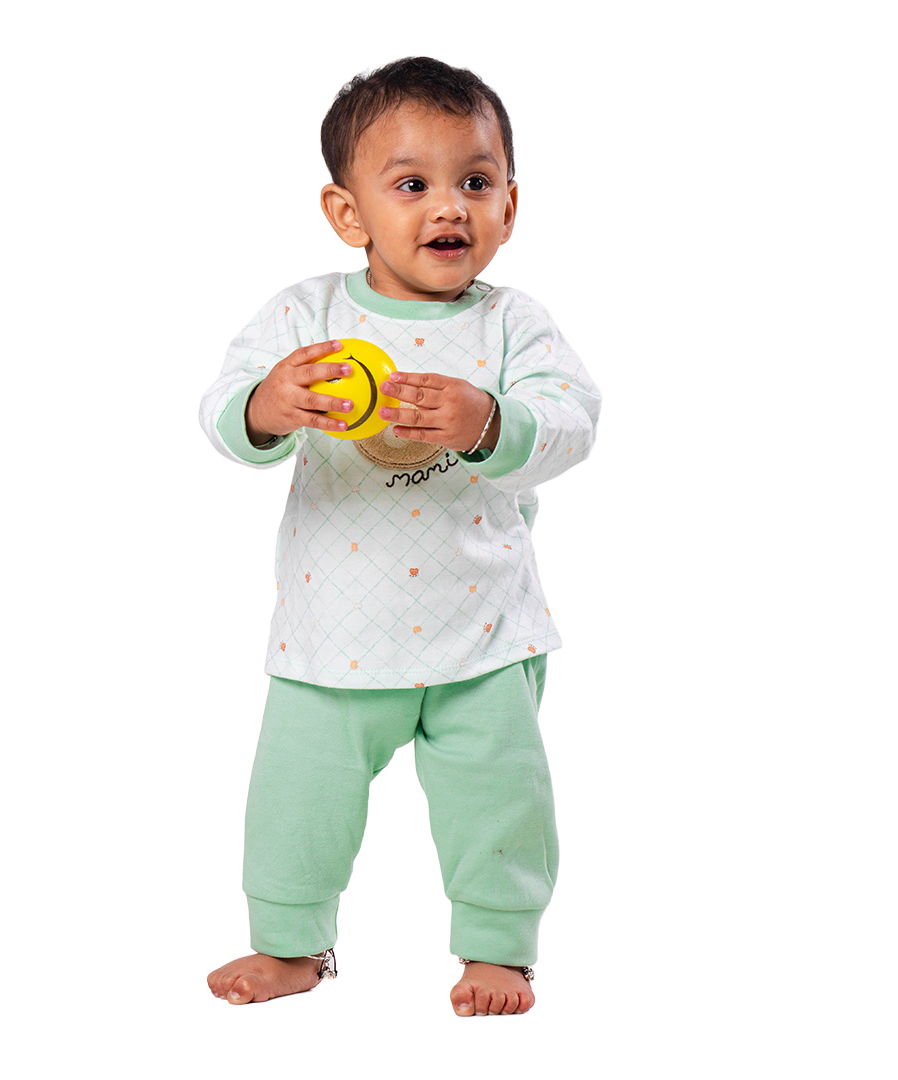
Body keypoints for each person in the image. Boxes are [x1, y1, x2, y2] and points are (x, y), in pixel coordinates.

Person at [199, 56, 601, 1017]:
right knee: (297, 802)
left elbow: (573, 420)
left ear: (510, 204)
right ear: (349, 214)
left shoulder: (511, 326)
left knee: (501, 802)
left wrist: (491, 421)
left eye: (477, 181)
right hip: (331, 636)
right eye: (412, 185)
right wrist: (270, 403)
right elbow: (222, 413)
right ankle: (291, 941)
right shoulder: (308, 316)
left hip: (482, 633)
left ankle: (499, 948)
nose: (450, 206)